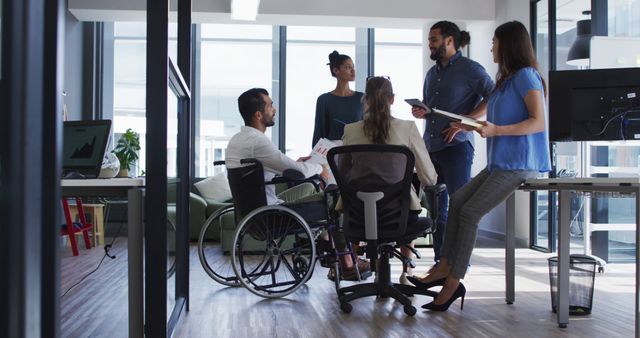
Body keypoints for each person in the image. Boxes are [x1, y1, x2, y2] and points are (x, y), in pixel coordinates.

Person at [411, 21, 551, 312]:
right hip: (500, 161)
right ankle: (444, 265)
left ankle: (453, 282)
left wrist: (496, 130)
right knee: (459, 200)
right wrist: (472, 124)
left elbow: (538, 121)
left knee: (471, 211)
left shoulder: (527, 77)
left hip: (520, 163)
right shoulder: (506, 81)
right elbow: (491, 118)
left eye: (495, 42)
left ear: (509, 45)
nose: (491, 47)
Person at [226, 88, 371, 281]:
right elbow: (300, 172)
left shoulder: (239, 139)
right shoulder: (258, 142)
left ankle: (325, 241)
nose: (274, 109)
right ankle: (347, 264)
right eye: (270, 105)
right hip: (270, 215)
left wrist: (299, 163)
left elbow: (283, 166)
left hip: (253, 209)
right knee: (335, 198)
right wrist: (320, 167)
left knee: (310, 187)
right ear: (258, 115)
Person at [410, 21, 494, 271]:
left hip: (457, 148)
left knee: (460, 206)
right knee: (437, 211)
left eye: (433, 39)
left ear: (449, 41)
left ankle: (460, 262)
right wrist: (422, 111)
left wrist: (464, 121)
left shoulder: (471, 69)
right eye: (429, 40)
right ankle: (441, 261)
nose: (430, 45)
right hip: (431, 148)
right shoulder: (431, 73)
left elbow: (493, 96)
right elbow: (432, 108)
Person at [341, 76, 437, 284]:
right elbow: (429, 178)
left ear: (365, 100)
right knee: (407, 202)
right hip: (397, 217)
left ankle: (356, 266)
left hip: (359, 217)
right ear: (392, 99)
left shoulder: (350, 130)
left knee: (358, 203)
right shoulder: (408, 128)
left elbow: (343, 176)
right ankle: (406, 271)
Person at [312, 51, 364, 147]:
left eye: (353, 67)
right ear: (336, 71)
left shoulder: (361, 98)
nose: (353, 71)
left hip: (357, 151)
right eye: (348, 67)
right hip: (332, 152)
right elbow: (319, 132)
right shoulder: (324, 100)